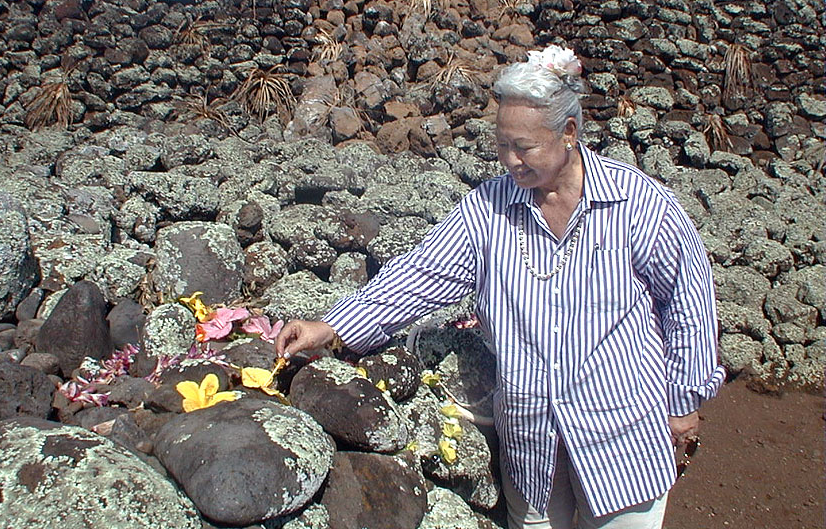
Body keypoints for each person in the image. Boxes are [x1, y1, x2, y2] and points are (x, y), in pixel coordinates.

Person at [275, 44, 725, 529]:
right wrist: (331, 326)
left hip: (620, 434)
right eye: (502, 144)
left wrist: (683, 405)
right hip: (531, 442)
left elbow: (688, 305)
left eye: (525, 147)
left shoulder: (640, 206)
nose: (510, 160)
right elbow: (420, 276)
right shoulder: (488, 209)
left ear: (569, 132)